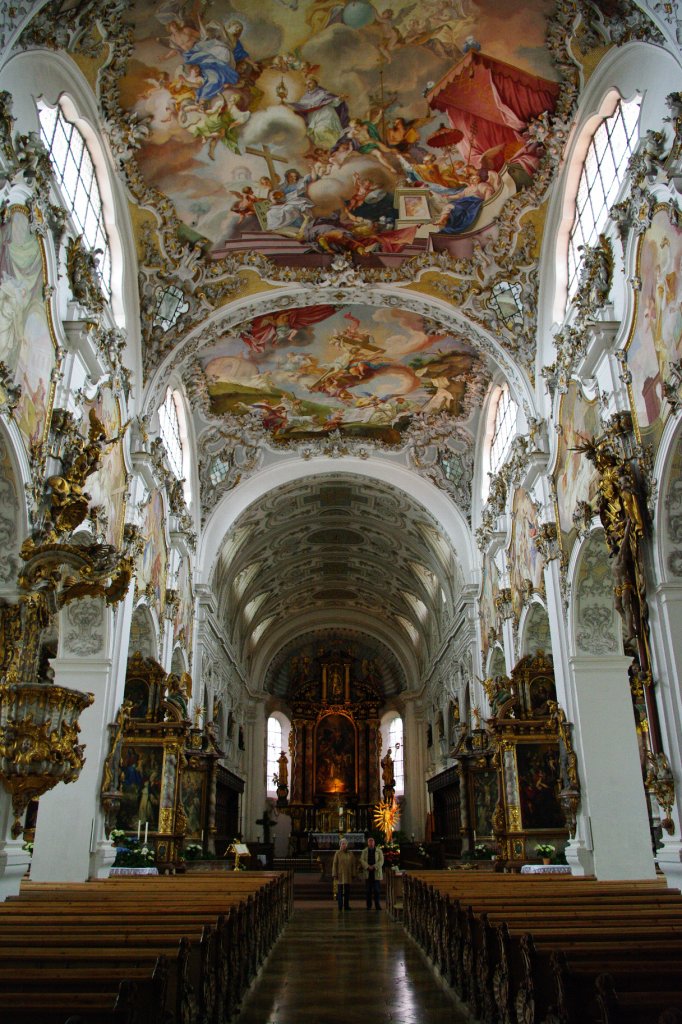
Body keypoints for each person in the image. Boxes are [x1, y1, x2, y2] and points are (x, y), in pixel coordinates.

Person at [360, 836, 384, 910]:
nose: (371, 843)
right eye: (369, 842)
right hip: (368, 873)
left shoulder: (379, 851)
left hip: (376, 873)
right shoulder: (364, 851)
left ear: (374, 843)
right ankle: (369, 905)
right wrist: (367, 867)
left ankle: (377, 905)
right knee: (368, 890)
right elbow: (362, 860)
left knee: (377, 890)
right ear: (367, 843)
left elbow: (381, 861)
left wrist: (374, 866)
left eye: (372, 841)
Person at [332, 837, 356, 911]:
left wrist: (353, 874)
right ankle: (340, 905)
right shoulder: (337, 853)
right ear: (340, 845)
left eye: (345, 844)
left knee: (347, 892)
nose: (344, 845)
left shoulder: (350, 853)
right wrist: (334, 874)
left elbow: (353, 864)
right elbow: (335, 864)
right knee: (339, 892)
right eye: (343, 844)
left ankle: (346, 905)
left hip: (348, 875)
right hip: (340, 875)